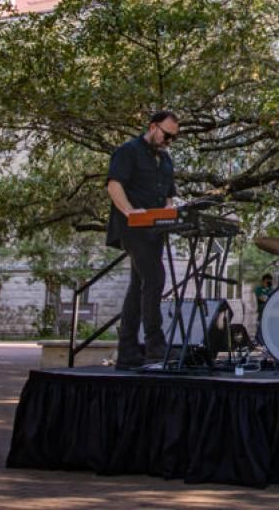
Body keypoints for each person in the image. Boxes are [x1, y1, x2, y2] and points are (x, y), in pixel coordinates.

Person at [105, 110, 180, 370]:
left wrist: (173, 214)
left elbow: (169, 197)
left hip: (154, 230)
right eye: (166, 135)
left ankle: (127, 351)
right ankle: (154, 345)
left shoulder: (166, 160)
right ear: (152, 127)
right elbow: (114, 185)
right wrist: (129, 211)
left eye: (173, 138)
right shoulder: (128, 151)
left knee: (138, 287)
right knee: (155, 277)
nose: (169, 141)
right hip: (132, 228)